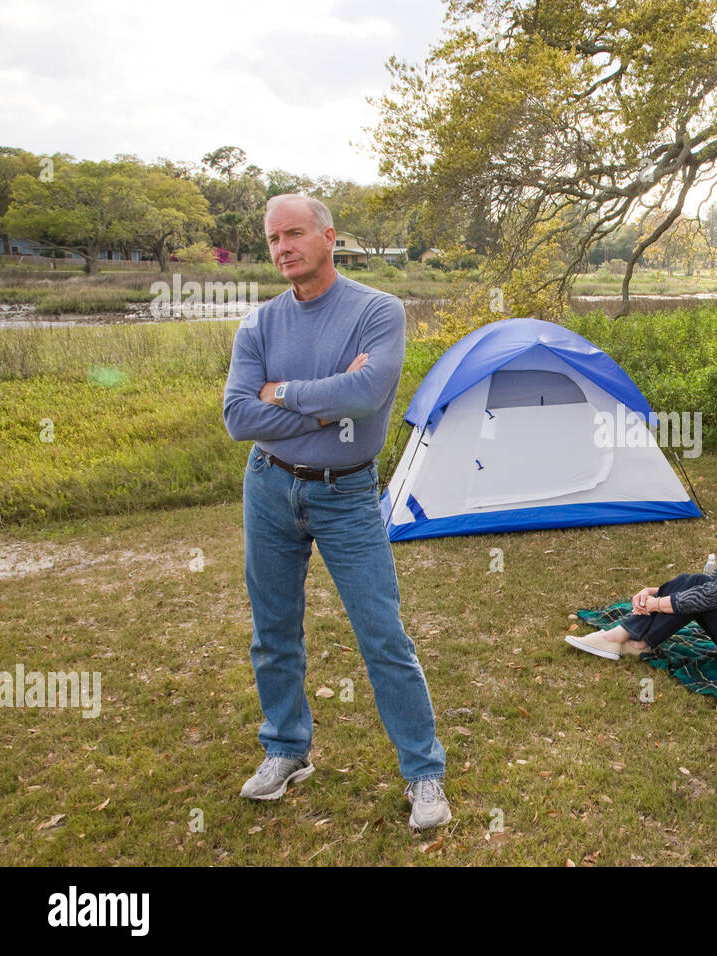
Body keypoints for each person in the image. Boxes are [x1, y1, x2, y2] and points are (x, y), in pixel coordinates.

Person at [222, 193, 449, 829]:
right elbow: (239, 415)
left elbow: (369, 392)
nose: (282, 248)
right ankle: (286, 751)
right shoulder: (259, 323)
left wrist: (285, 393)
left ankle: (424, 774)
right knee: (273, 631)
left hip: (348, 493)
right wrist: (329, 403)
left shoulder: (378, 310)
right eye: (272, 239)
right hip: (268, 486)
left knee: (383, 635)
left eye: (293, 233)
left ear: (328, 236)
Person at [566, 494, 717, 675]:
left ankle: (622, 638)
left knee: (700, 588)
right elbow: (712, 585)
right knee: (695, 583)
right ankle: (636, 641)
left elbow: (713, 594)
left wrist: (656, 604)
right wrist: (653, 592)